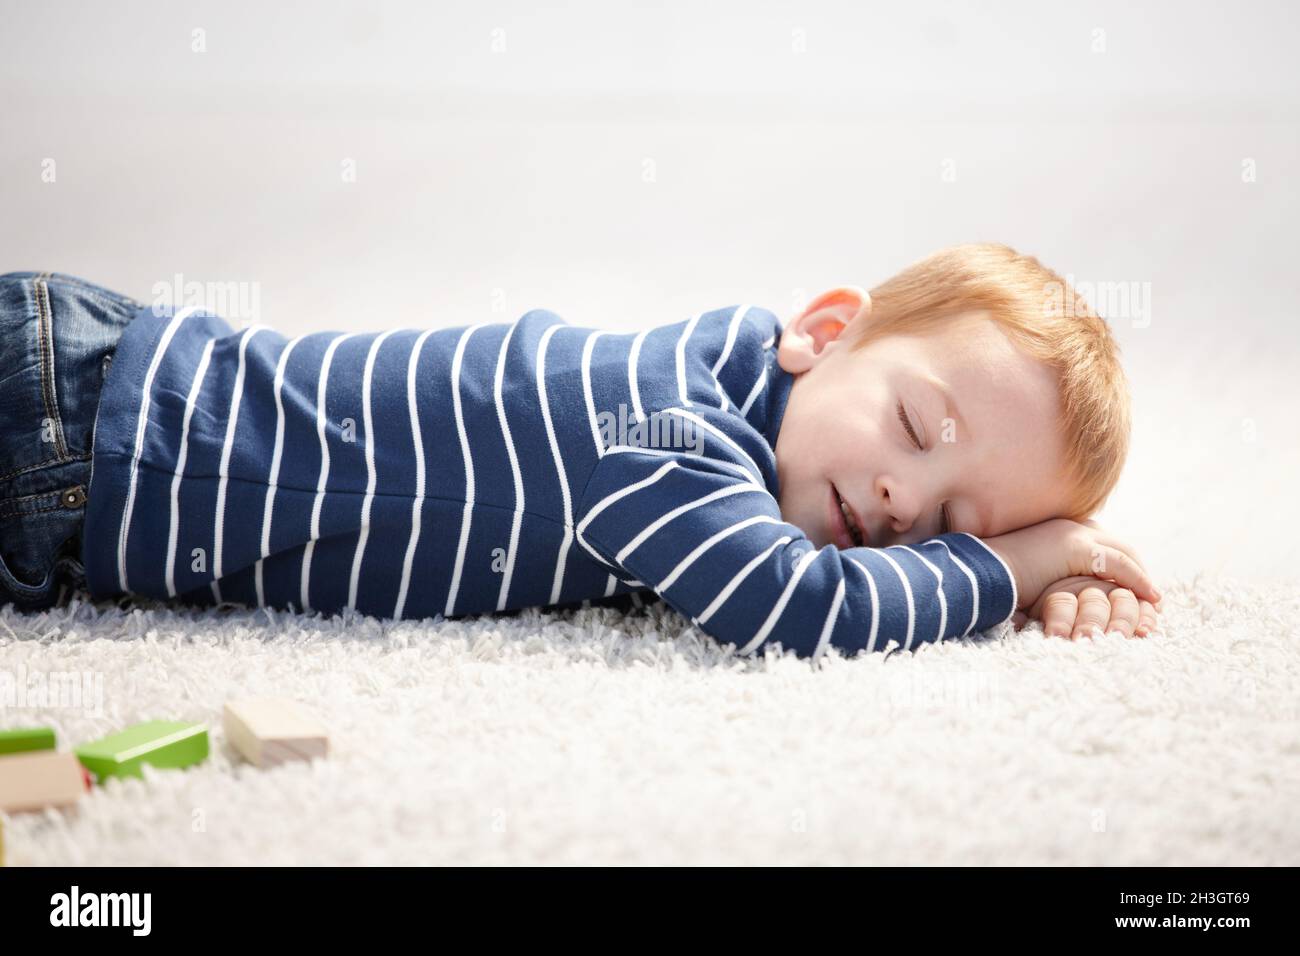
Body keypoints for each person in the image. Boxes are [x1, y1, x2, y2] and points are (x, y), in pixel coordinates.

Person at [0, 244, 1161, 659]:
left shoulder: (723, 407)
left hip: (79, 456)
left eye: (961, 522)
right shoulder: (661, 428)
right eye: (915, 426)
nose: (908, 502)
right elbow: (793, 608)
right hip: (75, 436)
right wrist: (1014, 563)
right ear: (819, 333)